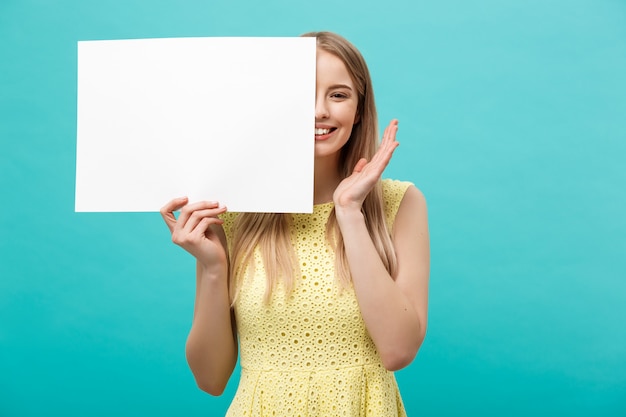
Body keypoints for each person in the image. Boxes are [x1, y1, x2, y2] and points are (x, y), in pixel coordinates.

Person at [160, 31, 430, 416]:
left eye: (338, 95)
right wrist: (213, 268)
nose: (320, 110)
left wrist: (350, 213)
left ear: (359, 109)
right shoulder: (231, 212)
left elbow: (398, 350)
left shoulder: (400, 203)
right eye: (303, 94)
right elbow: (210, 379)